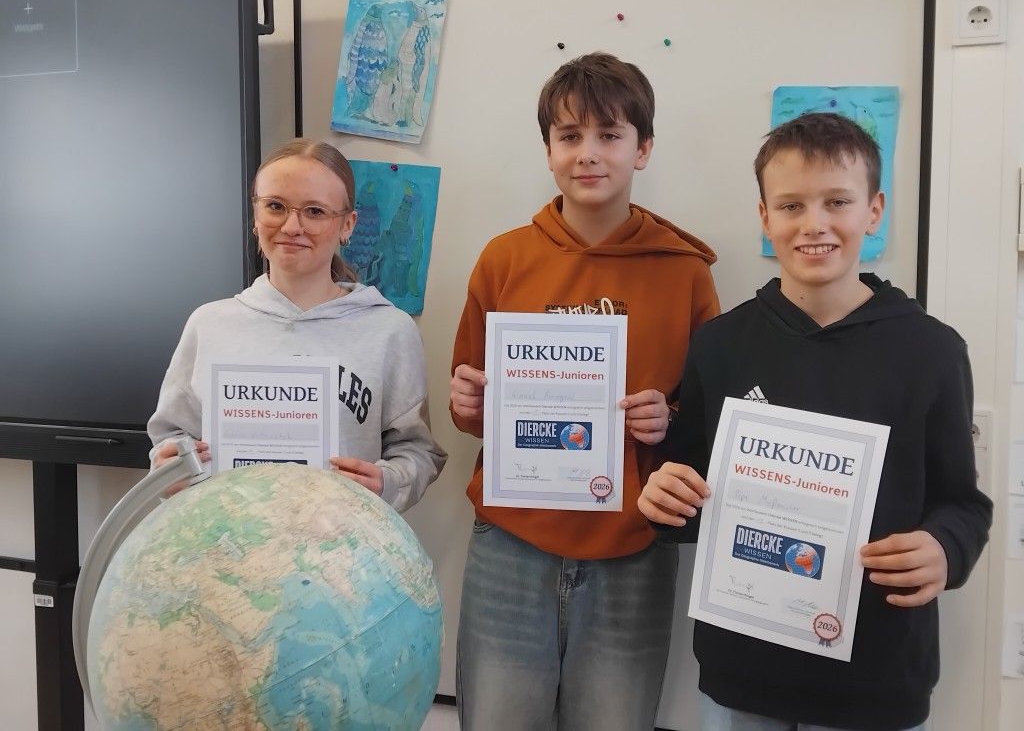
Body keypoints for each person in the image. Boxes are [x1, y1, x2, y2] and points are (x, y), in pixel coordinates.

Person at [639, 112, 993, 731]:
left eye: (838, 202)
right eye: (791, 205)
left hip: (875, 678)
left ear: (874, 211)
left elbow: (962, 503)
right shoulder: (720, 346)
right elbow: (689, 486)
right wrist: (665, 496)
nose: (814, 224)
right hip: (741, 672)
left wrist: (944, 548)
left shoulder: (932, 352)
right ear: (765, 217)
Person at [449, 52, 720, 730]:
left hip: (634, 543)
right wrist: (468, 405)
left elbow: (710, 420)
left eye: (610, 135)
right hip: (512, 541)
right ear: (548, 150)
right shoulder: (504, 259)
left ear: (643, 148)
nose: (588, 153)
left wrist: (669, 418)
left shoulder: (686, 271)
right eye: (569, 136)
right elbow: (471, 406)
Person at [148, 138, 446, 512]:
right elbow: (170, 438)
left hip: (341, 540)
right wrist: (169, 466)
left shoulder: (391, 331)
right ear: (256, 215)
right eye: (275, 206)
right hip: (229, 539)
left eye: (315, 211)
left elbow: (418, 451)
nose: (292, 226)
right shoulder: (208, 325)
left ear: (348, 225)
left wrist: (387, 482)